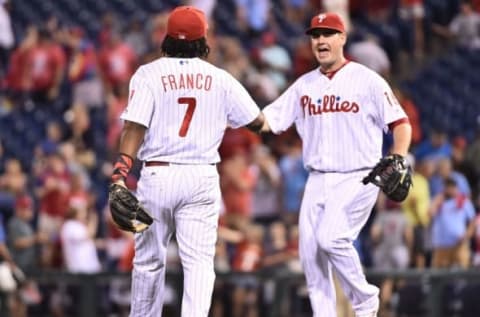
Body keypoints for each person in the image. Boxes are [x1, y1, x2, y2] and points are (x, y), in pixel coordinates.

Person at [109, 6, 264, 317]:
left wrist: (119, 175)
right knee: (200, 265)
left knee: (149, 261)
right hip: (201, 177)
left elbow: (133, 127)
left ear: (167, 38)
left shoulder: (149, 73)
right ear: (203, 40)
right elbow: (257, 121)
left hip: (158, 175)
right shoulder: (220, 78)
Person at [260, 12, 412, 317]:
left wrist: (398, 155)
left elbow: (401, 123)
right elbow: (267, 121)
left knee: (331, 238)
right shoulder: (304, 85)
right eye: (316, 35)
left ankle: (365, 299)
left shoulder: (367, 79)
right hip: (316, 179)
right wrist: (233, 109)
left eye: (328, 33)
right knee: (311, 259)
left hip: (359, 176)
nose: (321, 40)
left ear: (342, 38)